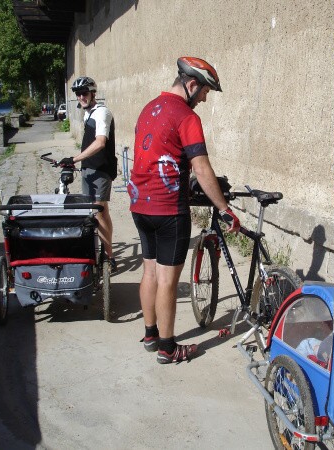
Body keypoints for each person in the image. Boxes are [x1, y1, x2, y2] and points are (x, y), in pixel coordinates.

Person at [129, 57, 240, 364]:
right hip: (168, 211)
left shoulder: (148, 108)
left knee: (149, 270)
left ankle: (151, 334)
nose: (204, 98)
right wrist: (224, 208)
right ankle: (168, 348)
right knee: (166, 278)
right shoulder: (186, 116)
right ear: (192, 85)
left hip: (140, 205)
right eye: (205, 91)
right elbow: (201, 167)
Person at [59, 76, 117, 271]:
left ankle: (109, 258)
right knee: (91, 211)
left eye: (84, 93)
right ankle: (95, 251)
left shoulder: (102, 113)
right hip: (88, 168)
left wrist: (75, 158)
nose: (81, 97)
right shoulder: (88, 113)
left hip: (100, 169)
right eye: (78, 94)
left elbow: (101, 142)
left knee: (100, 212)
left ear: (93, 93)